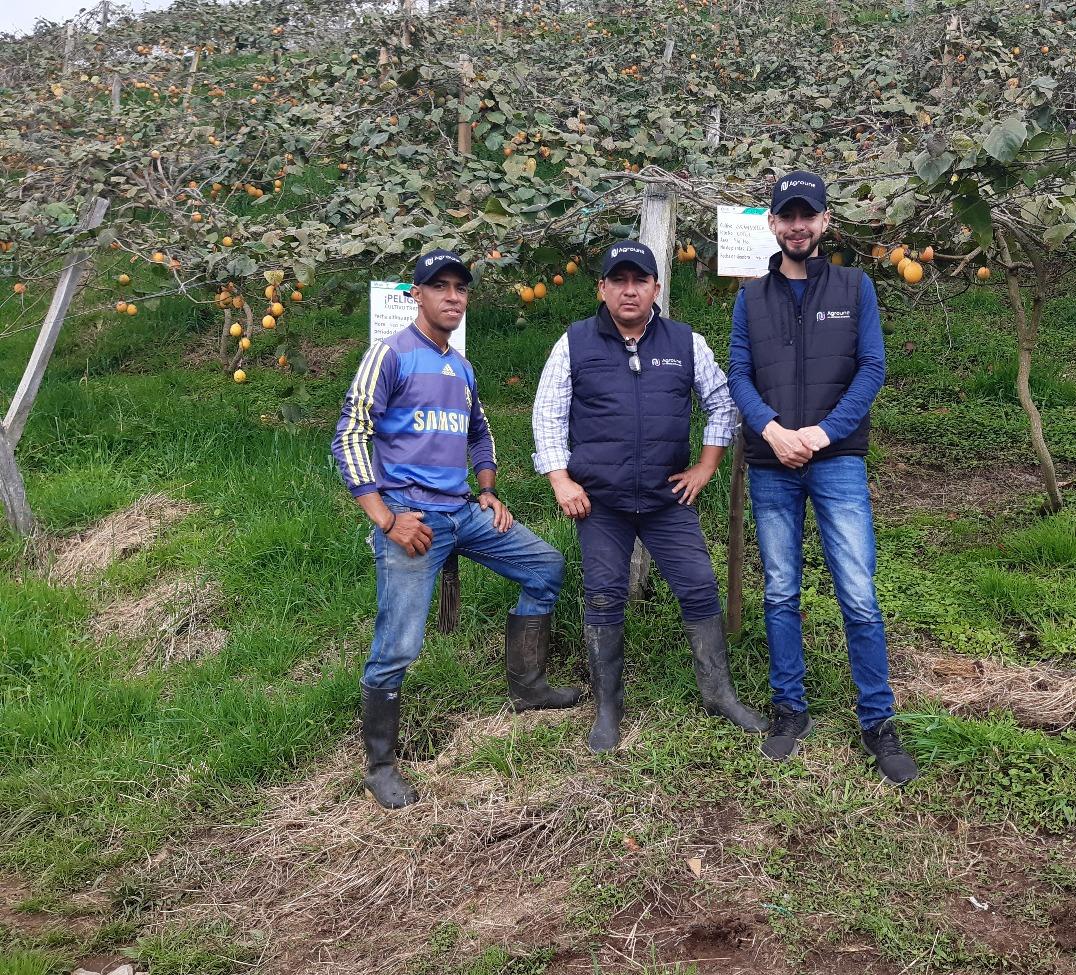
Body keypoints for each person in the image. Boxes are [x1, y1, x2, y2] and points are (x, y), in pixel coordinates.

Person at [332, 249, 578, 809]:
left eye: (460, 289)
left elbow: (480, 433)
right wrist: (386, 518)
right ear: (414, 295)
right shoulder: (389, 355)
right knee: (399, 644)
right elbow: (350, 434)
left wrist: (487, 489)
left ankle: (528, 685)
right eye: (438, 287)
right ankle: (379, 762)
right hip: (411, 520)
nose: (451, 297)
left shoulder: (461, 367)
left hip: (464, 511)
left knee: (545, 566)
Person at [532, 240, 767, 752]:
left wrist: (706, 466)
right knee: (603, 596)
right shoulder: (574, 343)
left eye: (640, 280)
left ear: (657, 288)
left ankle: (719, 693)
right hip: (601, 503)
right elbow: (547, 413)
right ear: (602, 288)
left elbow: (723, 404)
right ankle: (607, 707)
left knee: (700, 588)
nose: (630, 289)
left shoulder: (685, 342)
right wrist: (560, 480)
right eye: (619, 280)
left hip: (667, 500)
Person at [727, 171, 918, 784]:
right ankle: (790, 709)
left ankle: (877, 720)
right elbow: (739, 372)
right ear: (773, 224)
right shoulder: (750, 298)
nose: (798, 225)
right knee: (781, 589)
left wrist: (823, 433)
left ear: (826, 222)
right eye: (788, 216)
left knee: (858, 592)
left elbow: (871, 367)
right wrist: (773, 430)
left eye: (808, 215)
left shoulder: (855, 287)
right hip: (772, 463)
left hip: (836, 461)